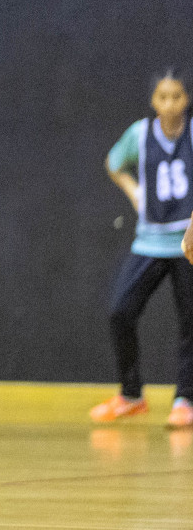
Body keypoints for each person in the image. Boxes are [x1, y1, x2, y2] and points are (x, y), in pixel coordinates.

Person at [93, 71, 193, 428]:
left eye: (177, 96)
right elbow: (114, 163)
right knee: (121, 310)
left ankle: (185, 399)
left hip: (187, 243)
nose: (170, 104)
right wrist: (134, 192)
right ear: (154, 101)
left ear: (186, 99)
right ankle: (131, 394)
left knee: (190, 321)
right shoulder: (140, 134)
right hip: (150, 241)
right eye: (163, 97)